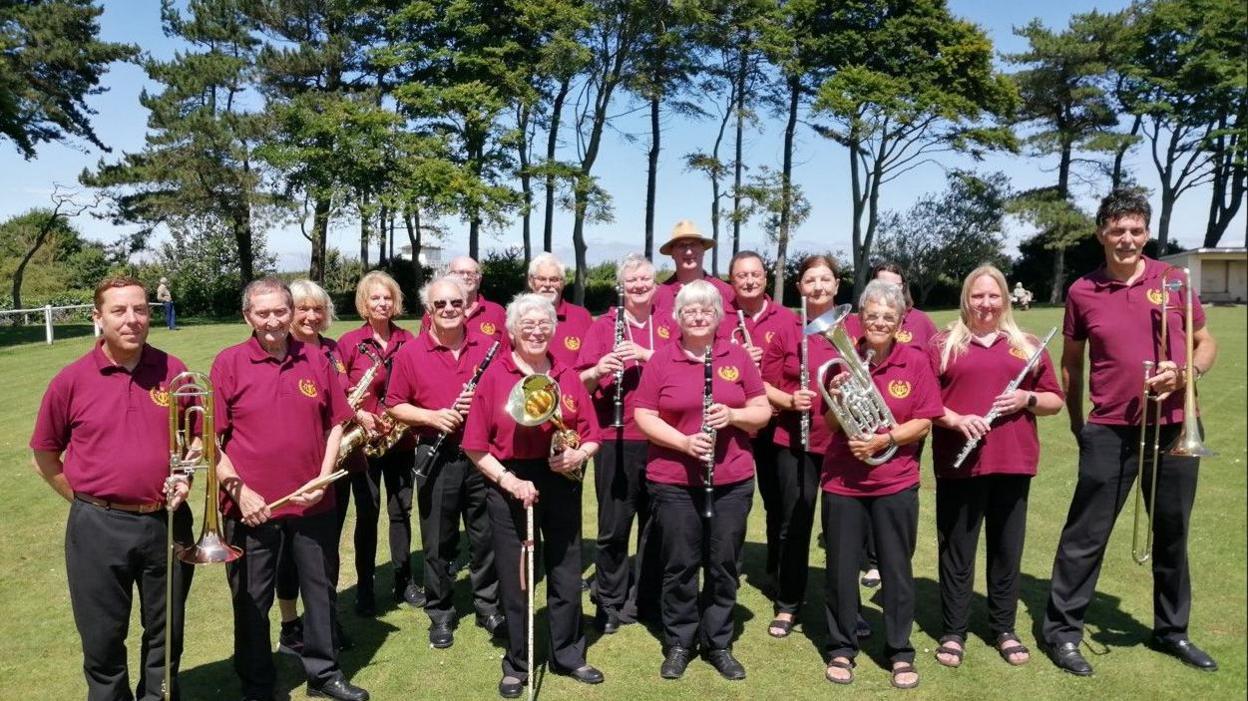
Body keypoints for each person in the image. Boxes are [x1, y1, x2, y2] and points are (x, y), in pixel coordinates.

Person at [1042, 189, 1219, 676]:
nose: (1127, 238)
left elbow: (1204, 343)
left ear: (1146, 233)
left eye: (1136, 230)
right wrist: (1079, 424)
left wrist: (1187, 374)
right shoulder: (1082, 290)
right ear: (1101, 232)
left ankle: (1172, 631)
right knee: (1085, 535)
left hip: (1177, 426)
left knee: (1172, 533)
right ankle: (1062, 633)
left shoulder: (1175, 281)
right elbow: (1072, 364)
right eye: (1117, 229)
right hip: (1109, 429)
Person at [31, 276, 195, 701]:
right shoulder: (70, 380)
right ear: (97, 317)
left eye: (140, 309)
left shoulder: (173, 369)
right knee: (102, 640)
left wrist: (187, 475)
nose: (132, 319)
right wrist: (90, 504)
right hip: (97, 528)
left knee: (167, 634)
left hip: (167, 521)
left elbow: (198, 435)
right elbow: (46, 456)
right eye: (119, 311)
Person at [211, 277, 368, 701]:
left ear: (291, 311)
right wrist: (240, 491)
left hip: (313, 503)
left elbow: (336, 422)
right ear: (248, 317)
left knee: (320, 591)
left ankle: (324, 675)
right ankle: (259, 685)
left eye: (281, 310)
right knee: (251, 602)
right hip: (252, 509)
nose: (273, 320)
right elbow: (211, 440)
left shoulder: (316, 358)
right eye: (263, 313)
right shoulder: (227, 363)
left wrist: (322, 475)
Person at [463, 293, 604, 698]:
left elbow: (592, 435)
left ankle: (568, 654)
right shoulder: (495, 375)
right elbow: (475, 446)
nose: (537, 330)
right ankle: (518, 663)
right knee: (517, 576)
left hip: (560, 477)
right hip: (511, 482)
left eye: (544, 324)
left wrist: (578, 453)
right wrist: (509, 481)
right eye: (527, 324)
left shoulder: (567, 373)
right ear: (512, 331)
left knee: (565, 567)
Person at [634, 280, 772, 681]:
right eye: (690, 310)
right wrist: (683, 442)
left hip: (731, 478)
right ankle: (679, 641)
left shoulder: (738, 356)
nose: (698, 316)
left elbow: (761, 409)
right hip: (674, 479)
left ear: (718, 316)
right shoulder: (662, 359)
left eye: (706, 310)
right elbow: (644, 415)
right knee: (679, 564)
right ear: (678, 317)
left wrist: (733, 416)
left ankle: (718, 642)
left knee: (723, 563)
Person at [928, 266, 1064, 669]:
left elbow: (1055, 399)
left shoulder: (1028, 345)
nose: (985, 304)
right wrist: (956, 419)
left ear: (1005, 299)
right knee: (957, 550)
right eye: (977, 296)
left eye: (993, 296)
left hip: (1014, 461)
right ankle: (954, 630)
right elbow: (926, 403)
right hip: (961, 462)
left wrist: (1027, 399)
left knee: (1007, 550)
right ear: (966, 298)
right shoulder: (944, 343)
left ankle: (1004, 627)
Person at [819, 280, 944, 689]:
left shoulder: (915, 360)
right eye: (871, 315)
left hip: (895, 479)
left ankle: (899, 650)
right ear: (860, 318)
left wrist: (884, 439)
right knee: (840, 569)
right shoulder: (842, 360)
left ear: (900, 320)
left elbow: (925, 420)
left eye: (887, 317)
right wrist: (838, 397)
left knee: (895, 567)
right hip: (843, 481)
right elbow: (833, 424)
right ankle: (841, 647)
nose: (879, 322)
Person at [387, 276, 505, 649]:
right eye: (441, 305)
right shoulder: (410, 353)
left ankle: (489, 605)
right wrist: (432, 417)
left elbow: (507, 396)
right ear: (429, 311)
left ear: (467, 305)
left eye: (456, 303)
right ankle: (440, 612)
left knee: (485, 535)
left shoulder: (490, 347)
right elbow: (394, 404)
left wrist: (483, 404)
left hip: (483, 453)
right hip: (436, 452)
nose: (450, 309)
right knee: (438, 538)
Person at [576, 254, 677, 632]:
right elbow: (580, 383)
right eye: (632, 280)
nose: (639, 286)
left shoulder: (669, 324)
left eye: (646, 280)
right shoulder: (604, 327)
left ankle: (645, 599)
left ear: (655, 285)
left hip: (661, 439)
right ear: (622, 285)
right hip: (615, 437)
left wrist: (647, 356)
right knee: (614, 527)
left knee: (656, 526)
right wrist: (600, 369)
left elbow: (685, 369)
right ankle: (609, 599)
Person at [275, 279, 359, 656]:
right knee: (288, 554)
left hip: (332, 466)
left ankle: (324, 620)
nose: (311, 315)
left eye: (318, 308)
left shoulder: (332, 350)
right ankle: (291, 623)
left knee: (324, 552)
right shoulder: (284, 353)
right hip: (292, 472)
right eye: (302, 308)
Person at [844, 261, 938, 588]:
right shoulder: (855, 338)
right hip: (860, 436)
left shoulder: (922, 324)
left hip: (904, 419)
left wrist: (888, 438)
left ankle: (885, 562)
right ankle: (870, 560)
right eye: (880, 285)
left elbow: (931, 373)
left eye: (894, 287)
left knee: (895, 498)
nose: (887, 294)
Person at [759, 254, 837, 638]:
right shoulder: (787, 331)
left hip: (843, 443)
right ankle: (788, 603)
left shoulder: (854, 327)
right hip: (794, 441)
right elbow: (763, 384)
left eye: (825, 279)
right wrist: (790, 400)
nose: (818, 287)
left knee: (842, 529)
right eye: (810, 280)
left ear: (837, 285)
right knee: (793, 523)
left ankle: (844, 608)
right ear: (800, 288)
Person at [337, 271, 421, 615]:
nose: (382, 303)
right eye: (375, 298)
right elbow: (341, 391)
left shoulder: (410, 339)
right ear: (364, 303)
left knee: (401, 513)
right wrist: (361, 417)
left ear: (396, 302)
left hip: (400, 441)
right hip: (365, 444)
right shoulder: (348, 343)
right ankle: (365, 590)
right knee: (368, 516)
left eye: (388, 297)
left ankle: (404, 582)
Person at [720, 250, 798, 597]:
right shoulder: (719, 317)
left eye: (755, 274)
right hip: (731, 425)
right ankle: (727, 570)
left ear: (765, 278)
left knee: (780, 503)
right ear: (731, 281)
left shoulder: (786, 318)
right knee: (730, 503)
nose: (749, 281)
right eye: (741, 276)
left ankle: (779, 573)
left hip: (776, 426)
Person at [527, 252, 594, 367]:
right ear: (531, 282)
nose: (547, 284)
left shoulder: (581, 317)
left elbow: (592, 362)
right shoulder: (518, 316)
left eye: (554, 279)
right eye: (542, 279)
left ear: (563, 283)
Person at [653, 220, 736, 312]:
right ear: (672, 253)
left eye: (693, 244)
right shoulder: (659, 296)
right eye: (682, 246)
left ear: (703, 250)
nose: (688, 252)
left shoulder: (726, 292)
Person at [423, 255, 508, 342]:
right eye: (460, 273)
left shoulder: (497, 312)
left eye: (471, 273)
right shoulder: (436, 311)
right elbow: (423, 347)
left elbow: (506, 350)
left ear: (479, 280)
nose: (465, 277)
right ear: (448, 277)